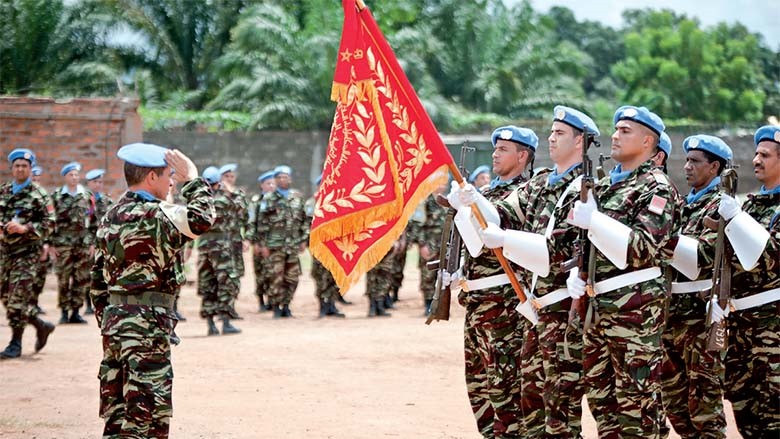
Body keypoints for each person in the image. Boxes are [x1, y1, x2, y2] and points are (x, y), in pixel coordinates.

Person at [478, 106, 601, 437]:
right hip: (537, 310)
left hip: (563, 310)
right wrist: (471, 200)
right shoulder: (542, 182)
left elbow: (555, 253)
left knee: (559, 408)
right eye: (551, 131)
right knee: (531, 404)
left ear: (580, 142)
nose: (551, 137)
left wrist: (504, 239)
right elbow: (502, 214)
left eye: (560, 133)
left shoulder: (585, 188)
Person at [565, 106, 678, 437]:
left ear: (647, 142)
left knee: (637, 407)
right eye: (615, 129)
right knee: (604, 406)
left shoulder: (656, 187)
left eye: (625, 131)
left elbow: (644, 248)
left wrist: (595, 220)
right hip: (598, 307)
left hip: (635, 311)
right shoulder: (604, 186)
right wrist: (579, 274)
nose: (615, 135)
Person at [90, 143, 214, 437]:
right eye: (168, 175)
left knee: (120, 409)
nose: (172, 181)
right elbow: (202, 219)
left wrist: (109, 321)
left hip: (116, 323)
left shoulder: (111, 216)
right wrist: (193, 178)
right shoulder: (159, 215)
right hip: (147, 325)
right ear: (151, 178)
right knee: (145, 410)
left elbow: (97, 278)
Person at [446, 125, 537, 438]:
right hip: (476, 303)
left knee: (506, 390)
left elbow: (498, 223)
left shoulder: (528, 190)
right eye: (495, 148)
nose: (495, 154)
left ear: (522, 156)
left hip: (504, 304)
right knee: (480, 389)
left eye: (503, 150)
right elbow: (475, 246)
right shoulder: (489, 192)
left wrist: (473, 202)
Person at [661, 135, 733, 438]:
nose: (687, 167)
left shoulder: (721, 206)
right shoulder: (680, 205)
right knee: (674, 405)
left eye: (695, 162)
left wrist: (659, 239)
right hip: (672, 315)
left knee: (704, 407)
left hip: (701, 316)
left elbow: (704, 255)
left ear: (714, 167)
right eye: (687, 160)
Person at [719, 125, 780, 438]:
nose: (756, 160)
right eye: (756, 153)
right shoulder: (754, 205)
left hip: (773, 328)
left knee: (774, 415)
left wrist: (736, 220)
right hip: (742, 326)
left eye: (765, 155)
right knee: (746, 413)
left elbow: (771, 258)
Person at [0, 149, 56, 359]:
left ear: (30, 169)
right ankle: (40, 324)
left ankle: (16, 342)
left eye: (24, 166)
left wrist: (26, 229)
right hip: (5, 253)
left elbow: (50, 223)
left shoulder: (39, 194)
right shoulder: (4, 191)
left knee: (17, 298)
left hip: (27, 254)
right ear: (12, 168)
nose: (20, 169)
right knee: (6, 296)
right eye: (17, 166)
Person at [256, 165, 308, 318]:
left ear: (290, 179)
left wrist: (303, 239)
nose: (281, 179)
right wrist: (263, 244)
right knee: (275, 277)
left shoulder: (297, 198)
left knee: (292, 277)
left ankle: (286, 305)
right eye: (278, 177)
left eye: (284, 177)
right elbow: (262, 223)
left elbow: (304, 221)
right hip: (275, 245)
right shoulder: (268, 199)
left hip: (292, 245)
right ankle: (276, 306)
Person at [50, 161, 96, 324]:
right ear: (65, 177)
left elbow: (93, 220)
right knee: (63, 277)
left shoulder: (87, 195)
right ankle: (64, 311)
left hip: (82, 243)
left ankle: (76, 311)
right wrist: (51, 244)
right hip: (63, 243)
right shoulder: (56, 196)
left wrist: (92, 243)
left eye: (76, 175)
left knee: (81, 277)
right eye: (71, 175)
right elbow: (50, 221)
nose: (74, 177)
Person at [197, 166, 240, 335]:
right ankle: (226, 322)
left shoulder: (199, 201)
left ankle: (210, 325)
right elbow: (240, 207)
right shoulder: (223, 199)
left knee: (208, 283)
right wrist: (230, 190)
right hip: (221, 247)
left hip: (204, 247)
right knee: (226, 283)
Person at [306, 174, 345, 318]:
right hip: (320, 246)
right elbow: (307, 224)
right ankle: (322, 306)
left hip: (336, 246)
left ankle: (332, 305)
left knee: (334, 277)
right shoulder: (313, 203)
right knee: (320, 276)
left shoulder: (339, 202)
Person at [219, 163, 248, 319]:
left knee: (235, 276)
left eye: (232, 177)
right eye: (226, 177)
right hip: (219, 244)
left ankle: (231, 307)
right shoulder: (213, 194)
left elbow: (245, 216)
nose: (229, 179)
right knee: (221, 276)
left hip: (235, 243)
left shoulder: (239, 195)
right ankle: (219, 309)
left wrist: (247, 239)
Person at [84, 168, 113, 315]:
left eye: (100, 182)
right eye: (95, 182)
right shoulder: (83, 201)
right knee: (88, 274)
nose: (98, 184)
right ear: (88, 183)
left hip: (105, 244)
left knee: (104, 273)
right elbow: (83, 226)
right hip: (87, 244)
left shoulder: (108, 201)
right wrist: (91, 244)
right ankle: (88, 304)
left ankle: (104, 302)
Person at [248, 170, 276, 311]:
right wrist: (255, 243)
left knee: (273, 272)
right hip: (260, 243)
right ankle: (261, 301)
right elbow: (252, 223)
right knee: (260, 273)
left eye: (273, 183)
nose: (271, 186)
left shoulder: (278, 201)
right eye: (268, 183)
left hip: (275, 243)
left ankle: (272, 300)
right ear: (262, 185)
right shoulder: (256, 202)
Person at [29, 165, 51, 315]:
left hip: (40, 244)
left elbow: (48, 222)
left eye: (38, 179)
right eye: (33, 179)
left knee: (39, 277)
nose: (36, 181)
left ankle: (35, 302)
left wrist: (47, 244)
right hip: (24, 245)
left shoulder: (44, 198)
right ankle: (27, 304)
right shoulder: (22, 197)